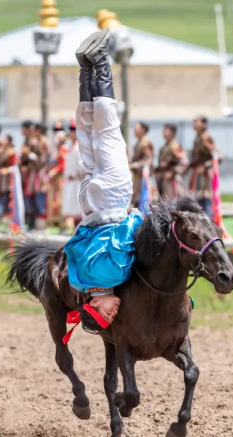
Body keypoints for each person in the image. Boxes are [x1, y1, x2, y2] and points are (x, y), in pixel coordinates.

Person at [64, 29, 142, 330]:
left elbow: (128, 236)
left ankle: (100, 60)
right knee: (88, 133)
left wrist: (138, 218)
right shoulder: (77, 280)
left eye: (107, 313)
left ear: (94, 304)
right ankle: (85, 69)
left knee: (108, 131)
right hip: (89, 205)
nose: (114, 312)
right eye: (112, 317)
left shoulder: (115, 276)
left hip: (112, 201)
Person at [189, 116, 220, 218]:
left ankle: (210, 225)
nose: (194, 124)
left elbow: (217, 155)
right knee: (198, 200)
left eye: (196, 121)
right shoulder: (198, 138)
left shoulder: (206, 138)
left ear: (204, 124)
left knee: (206, 201)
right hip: (197, 175)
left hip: (205, 176)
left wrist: (205, 167)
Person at [155, 123, 188, 200]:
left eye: (166, 130)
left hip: (172, 180)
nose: (163, 132)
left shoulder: (175, 147)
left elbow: (184, 162)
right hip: (163, 180)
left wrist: (172, 173)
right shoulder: (164, 147)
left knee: (173, 202)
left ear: (172, 132)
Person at [61, 120, 83, 233]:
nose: (72, 133)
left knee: (78, 207)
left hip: (78, 180)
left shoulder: (81, 145)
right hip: (69, 180)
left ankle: (78, 230)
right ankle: (72, 229)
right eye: (71, 131)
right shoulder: (68, 145)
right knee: (70, 206)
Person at [47, 121, 68, 228]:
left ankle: (62, 224)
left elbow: (63, 165)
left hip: (60, 178)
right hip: (53, 179)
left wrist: (53, 172)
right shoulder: (54, 149)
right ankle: (53, 224)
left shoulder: (63, 149)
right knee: (52, 200)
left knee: (60, 200)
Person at [129, 121, 154, 208]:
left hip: (144, 178)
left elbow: (148, 160)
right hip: (137, 177)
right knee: (136, 200)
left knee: (144, 201)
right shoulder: (138, 143)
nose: (134, 130)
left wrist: (134, 165)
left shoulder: (145, 143)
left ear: (143, 130)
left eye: (137, 128)